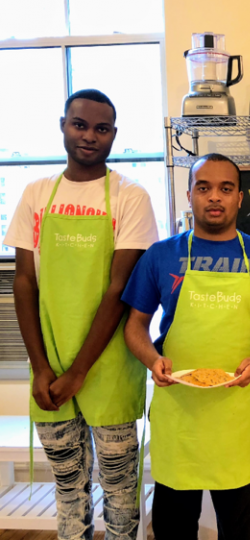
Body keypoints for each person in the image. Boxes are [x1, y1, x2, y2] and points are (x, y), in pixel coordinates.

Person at [4, 89, 159, 540]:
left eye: (101, 128)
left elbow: (118, 289)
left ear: (114, 135)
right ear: (63, 125)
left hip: (108, 367)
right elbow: (25, 283)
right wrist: (40, 368)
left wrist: (80, 372)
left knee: (119, 486)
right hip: (48, 368)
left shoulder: (130, 196)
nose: (89, 136)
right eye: (80, 124)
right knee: (68, 488)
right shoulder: (35, 194)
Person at [122, 153, 250, 540]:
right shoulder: (161, 255)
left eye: (225, 188)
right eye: (204, 187)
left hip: (235, 412)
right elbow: (134, 325)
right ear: (189, 195)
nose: (214, 197)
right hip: (178, 413)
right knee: (172, 526)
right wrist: (152, 359)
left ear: (239, 198)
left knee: (236, 527)